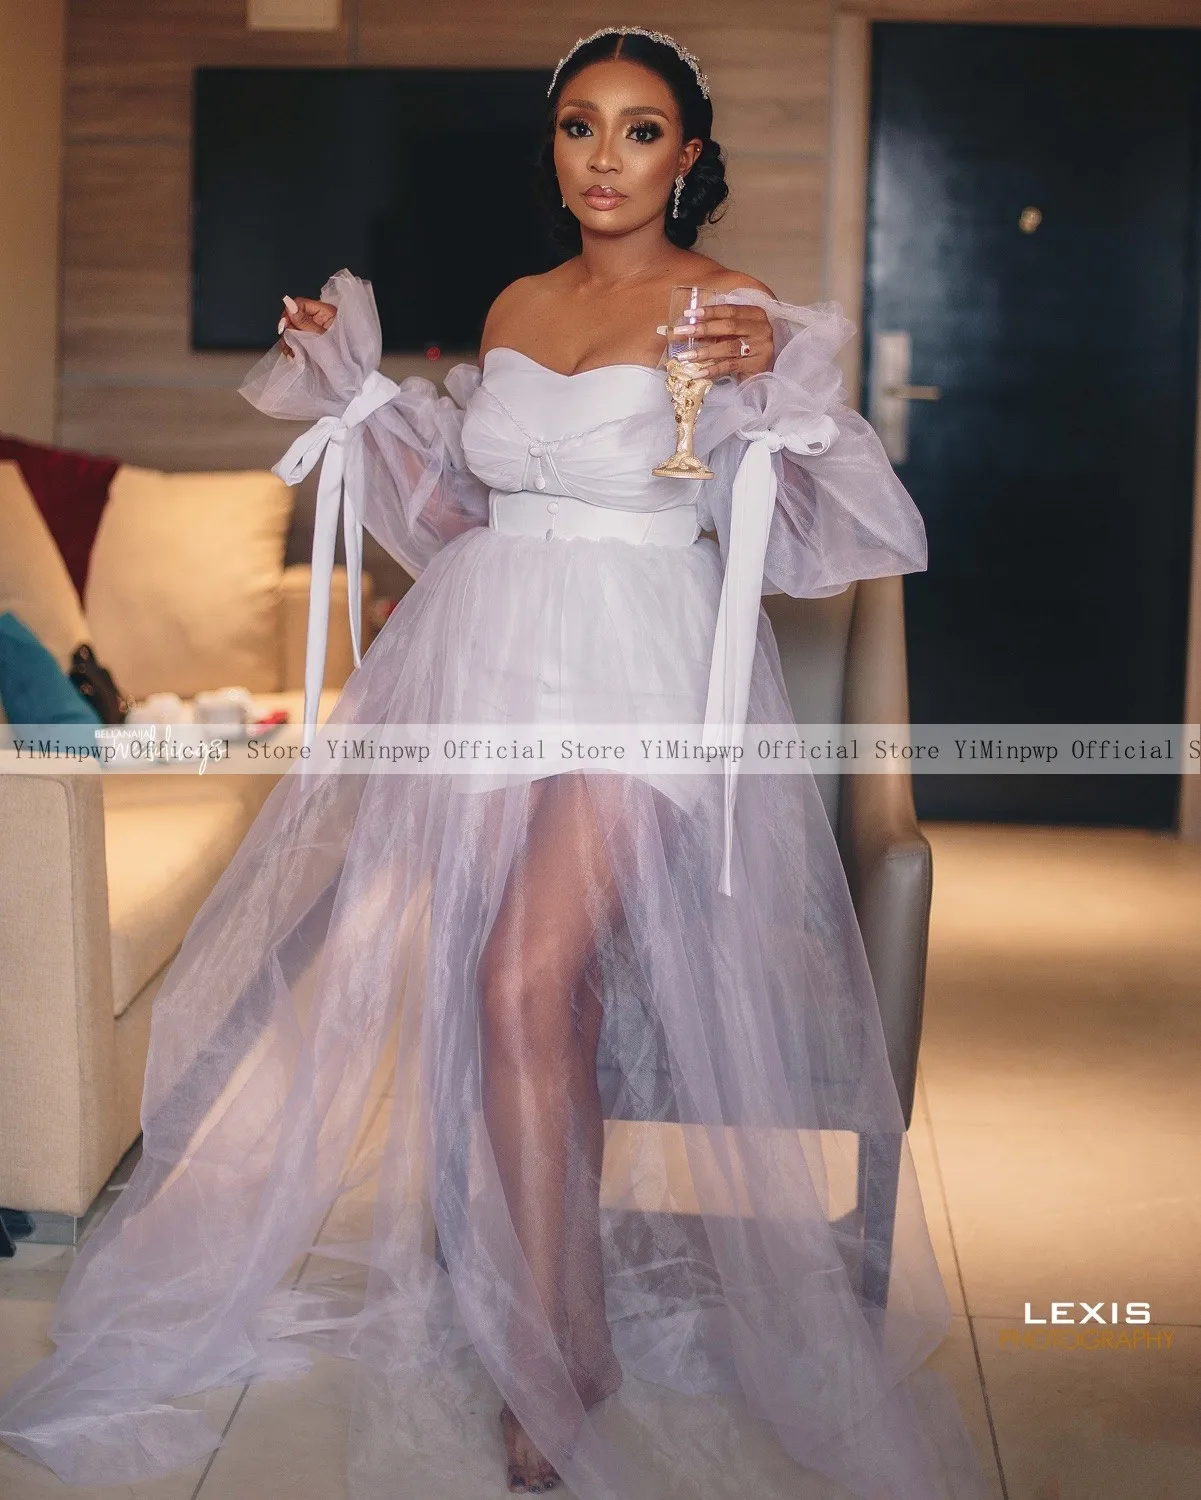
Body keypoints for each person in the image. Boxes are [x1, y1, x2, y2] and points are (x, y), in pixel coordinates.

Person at [0, 26, 990, 1500]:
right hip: (494, 653)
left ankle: (552, 1353)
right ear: (555, 145)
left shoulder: (730, 312)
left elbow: (844, 533)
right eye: (581, 125)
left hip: (643, 668)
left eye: (640, 130)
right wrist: (351, 392)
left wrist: (789, 395)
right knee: (545, 999)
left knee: (518, 977)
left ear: (688, 156)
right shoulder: (518, 304)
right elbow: (462, 511)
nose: (606, 157)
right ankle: (567, 1325)